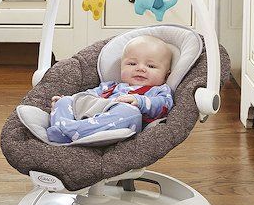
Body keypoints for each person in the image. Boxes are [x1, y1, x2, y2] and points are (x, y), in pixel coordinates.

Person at [46, 35, 175, 144]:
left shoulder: (159, 90)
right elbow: (87, 97)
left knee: (130, 111)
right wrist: (72, 101)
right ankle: (63, 129)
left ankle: (70, 130)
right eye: (132, 64)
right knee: (65, 101)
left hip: (120, 124)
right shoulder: (110, 86)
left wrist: (140, 101)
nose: (140, 68)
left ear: (166, 75)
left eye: (151, 66)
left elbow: (164, 105)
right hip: (91, 115)